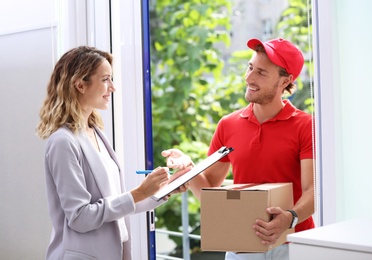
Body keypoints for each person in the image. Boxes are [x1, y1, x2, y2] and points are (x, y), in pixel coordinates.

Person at [162, 38, 315, 260]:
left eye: (262, 73)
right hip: (242, 246)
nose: (249, 78)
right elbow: (209, 192)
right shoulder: (228, 124)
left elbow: (313, 191)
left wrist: (289, 218)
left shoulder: (305, 126)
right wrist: (189, 168)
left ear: (285, 81)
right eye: (250, 67)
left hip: (294, 244)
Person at [36, 46, 191, 260]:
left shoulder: (96, 133)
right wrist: (138, 192)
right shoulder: (63, 142)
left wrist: (167, 189)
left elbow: (115, 206)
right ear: (80, 84)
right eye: (106, 79)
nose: (113, 87)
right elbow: (80, 217)